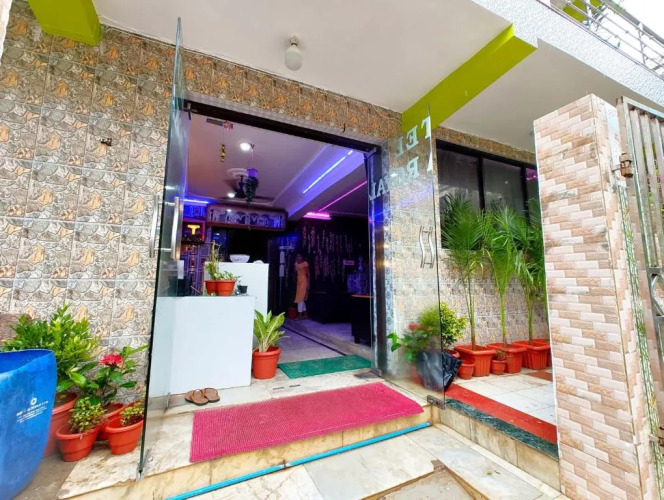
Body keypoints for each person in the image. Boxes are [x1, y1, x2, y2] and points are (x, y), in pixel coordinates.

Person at [294, 253, 310, 320]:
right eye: (297, 256)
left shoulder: (305, 264)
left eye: (299, 256)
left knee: (300, 298)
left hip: (304, 281)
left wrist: (308, 283)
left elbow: (308, 274)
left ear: (302, 257)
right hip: (299, 282)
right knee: (301, 299)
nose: (298, 257)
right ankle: (305, 315)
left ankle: (299, 315)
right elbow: (295, 272)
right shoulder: (296, 264)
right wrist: (295, 264)